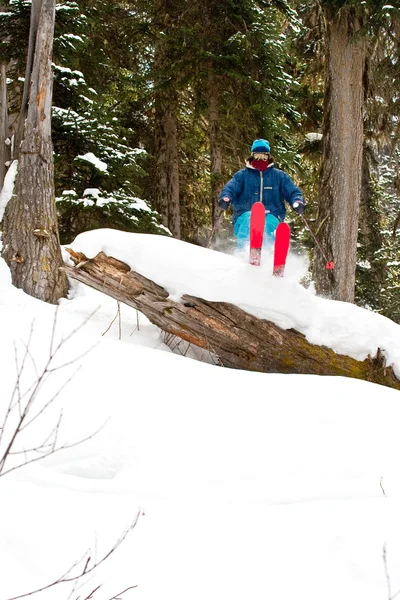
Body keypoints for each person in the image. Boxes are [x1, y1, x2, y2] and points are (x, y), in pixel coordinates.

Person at [219, 139, 305, 248]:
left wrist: (297, 201)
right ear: (252, 156)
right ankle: (246, 250)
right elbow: (230, 188)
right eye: (257, 156)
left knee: (270, 226)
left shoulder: (279, 176)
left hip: (272, 213)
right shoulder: (242, 175)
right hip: (245, 213)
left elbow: (292, 191)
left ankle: (268, 253)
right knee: (248, 222)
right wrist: (226, 198)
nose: (260, 159)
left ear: (268, 157)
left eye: (263, 156)